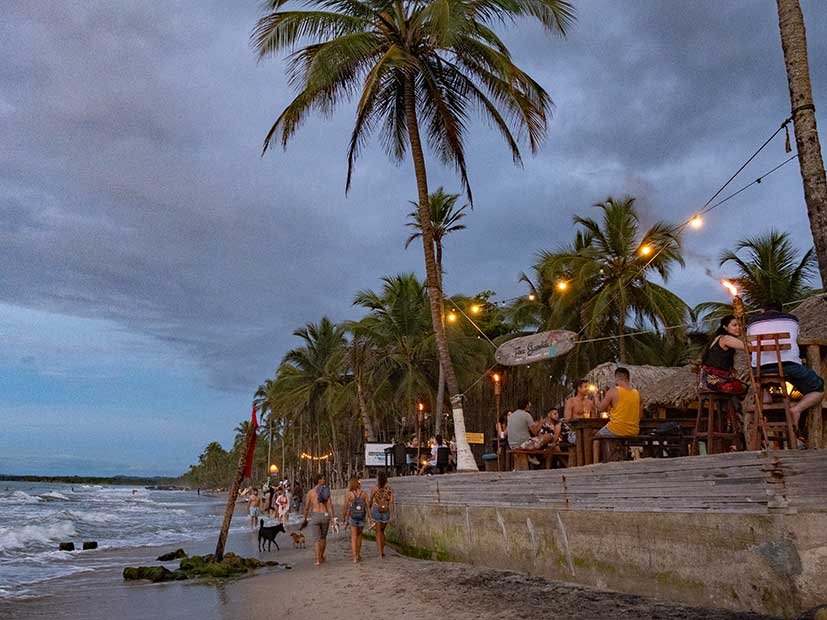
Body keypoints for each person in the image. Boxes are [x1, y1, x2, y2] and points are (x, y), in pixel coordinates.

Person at [747, 303, 824, 430]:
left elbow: (750, 342)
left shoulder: (752, 323)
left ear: (762, 311)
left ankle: (766, 406)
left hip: (760, 369)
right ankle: (797, 408)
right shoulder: (792, 319)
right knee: (818, 388)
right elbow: (796, 338)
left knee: (762, 383)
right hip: (788, 365)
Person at [592, 367, 643, 464]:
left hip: (617, 428)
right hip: (634, 430)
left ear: (617, 378)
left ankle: (595, 464)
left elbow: (600, 408)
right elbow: (640, 412)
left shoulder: (613, 391)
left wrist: (595, 397)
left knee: (596, 436)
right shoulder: (636, 393)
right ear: (628, 378)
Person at [699, 315, 747, 395]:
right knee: (745, 387)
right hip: (714, 380)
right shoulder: (726, 338)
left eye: (740, 325)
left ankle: (728, 406)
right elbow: (748, 347)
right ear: (725, 327)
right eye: (734, 325)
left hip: (707, 379)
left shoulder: (718, 338)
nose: (738, 328)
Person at [302, 473, 334, 566]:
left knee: (317, 539)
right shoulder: (325, 491)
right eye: (322, 478)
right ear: (319, 480)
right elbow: (329, 505)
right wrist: (332, 517)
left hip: (315, 516)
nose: (324, 480)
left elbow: (307, 507)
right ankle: (321, 556)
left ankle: (317, 560)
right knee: (323, 538)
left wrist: (305, 518)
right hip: (325, 515)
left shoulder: (310, 492)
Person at [342, 478, 368, 562]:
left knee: (353, 537)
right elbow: (367, 506)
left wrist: (344, 516)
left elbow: (346, 507)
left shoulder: (349, 494)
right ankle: (358, 554)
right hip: (361, 516)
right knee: (359, 536)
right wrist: (370, 518)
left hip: (353, 517)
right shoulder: (364, 493)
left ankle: (354, 557)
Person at [369, 471, 393, 558]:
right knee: (382, 531)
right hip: (386, 510)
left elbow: (371, 500)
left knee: (378, 532)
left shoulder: (375, 488)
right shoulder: (389, 489)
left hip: (376, 509)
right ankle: (382, 551)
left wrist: (369, 508)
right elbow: (391, 501)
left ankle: (379, 553)